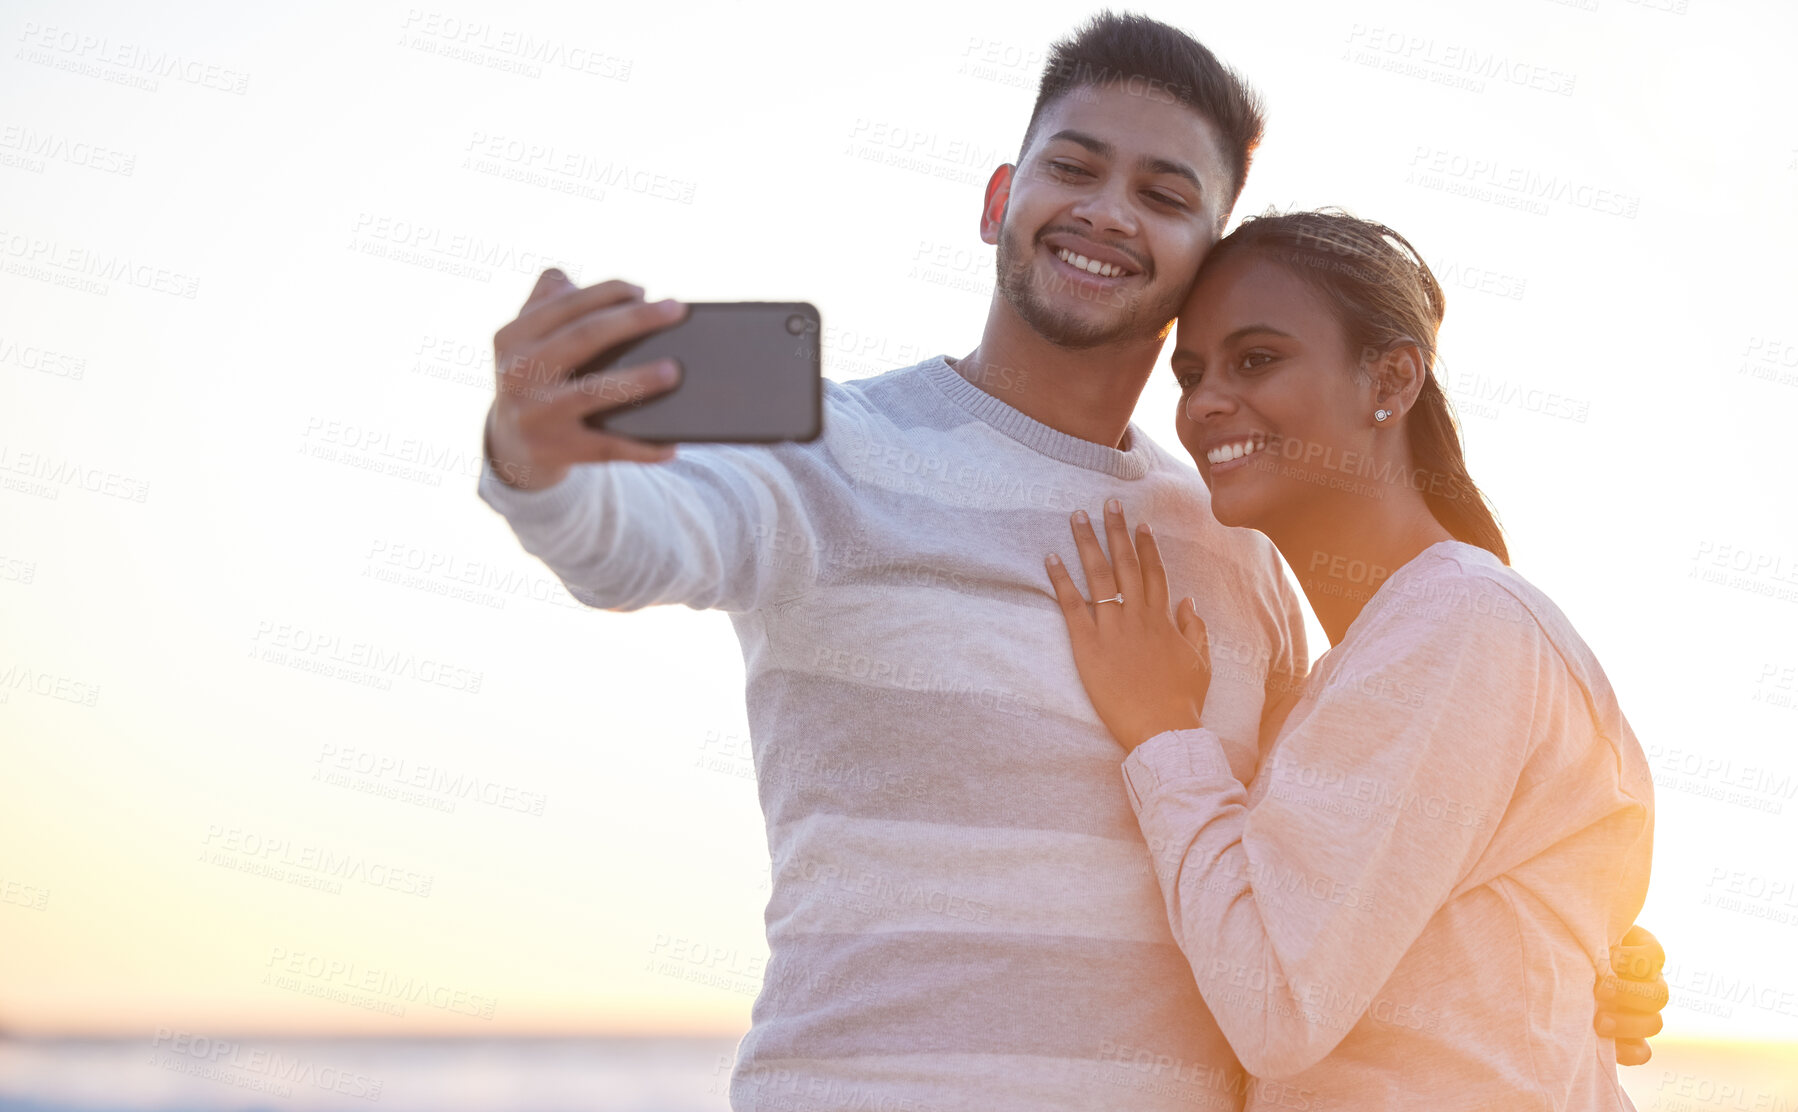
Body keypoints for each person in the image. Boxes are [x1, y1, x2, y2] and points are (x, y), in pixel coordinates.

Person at [477, 14, 1667, 1109]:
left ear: (1202, 254)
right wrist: (539, 462)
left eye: (1162, 191)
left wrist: (1567, 950)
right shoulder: (830, 454)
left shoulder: (1232, 543)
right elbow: (632, 544)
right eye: (1072, 166)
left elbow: (1317, 863)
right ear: (1001, 197)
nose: (1106, 209)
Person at [1044, 209, 1655, 1106]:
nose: (1206, 400)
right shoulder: (1389, 652)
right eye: (1191, 372)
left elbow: (1278, 1008)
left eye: (1257, 359)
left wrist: (1162, 731)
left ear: (1392, 379)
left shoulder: (1458, 625)